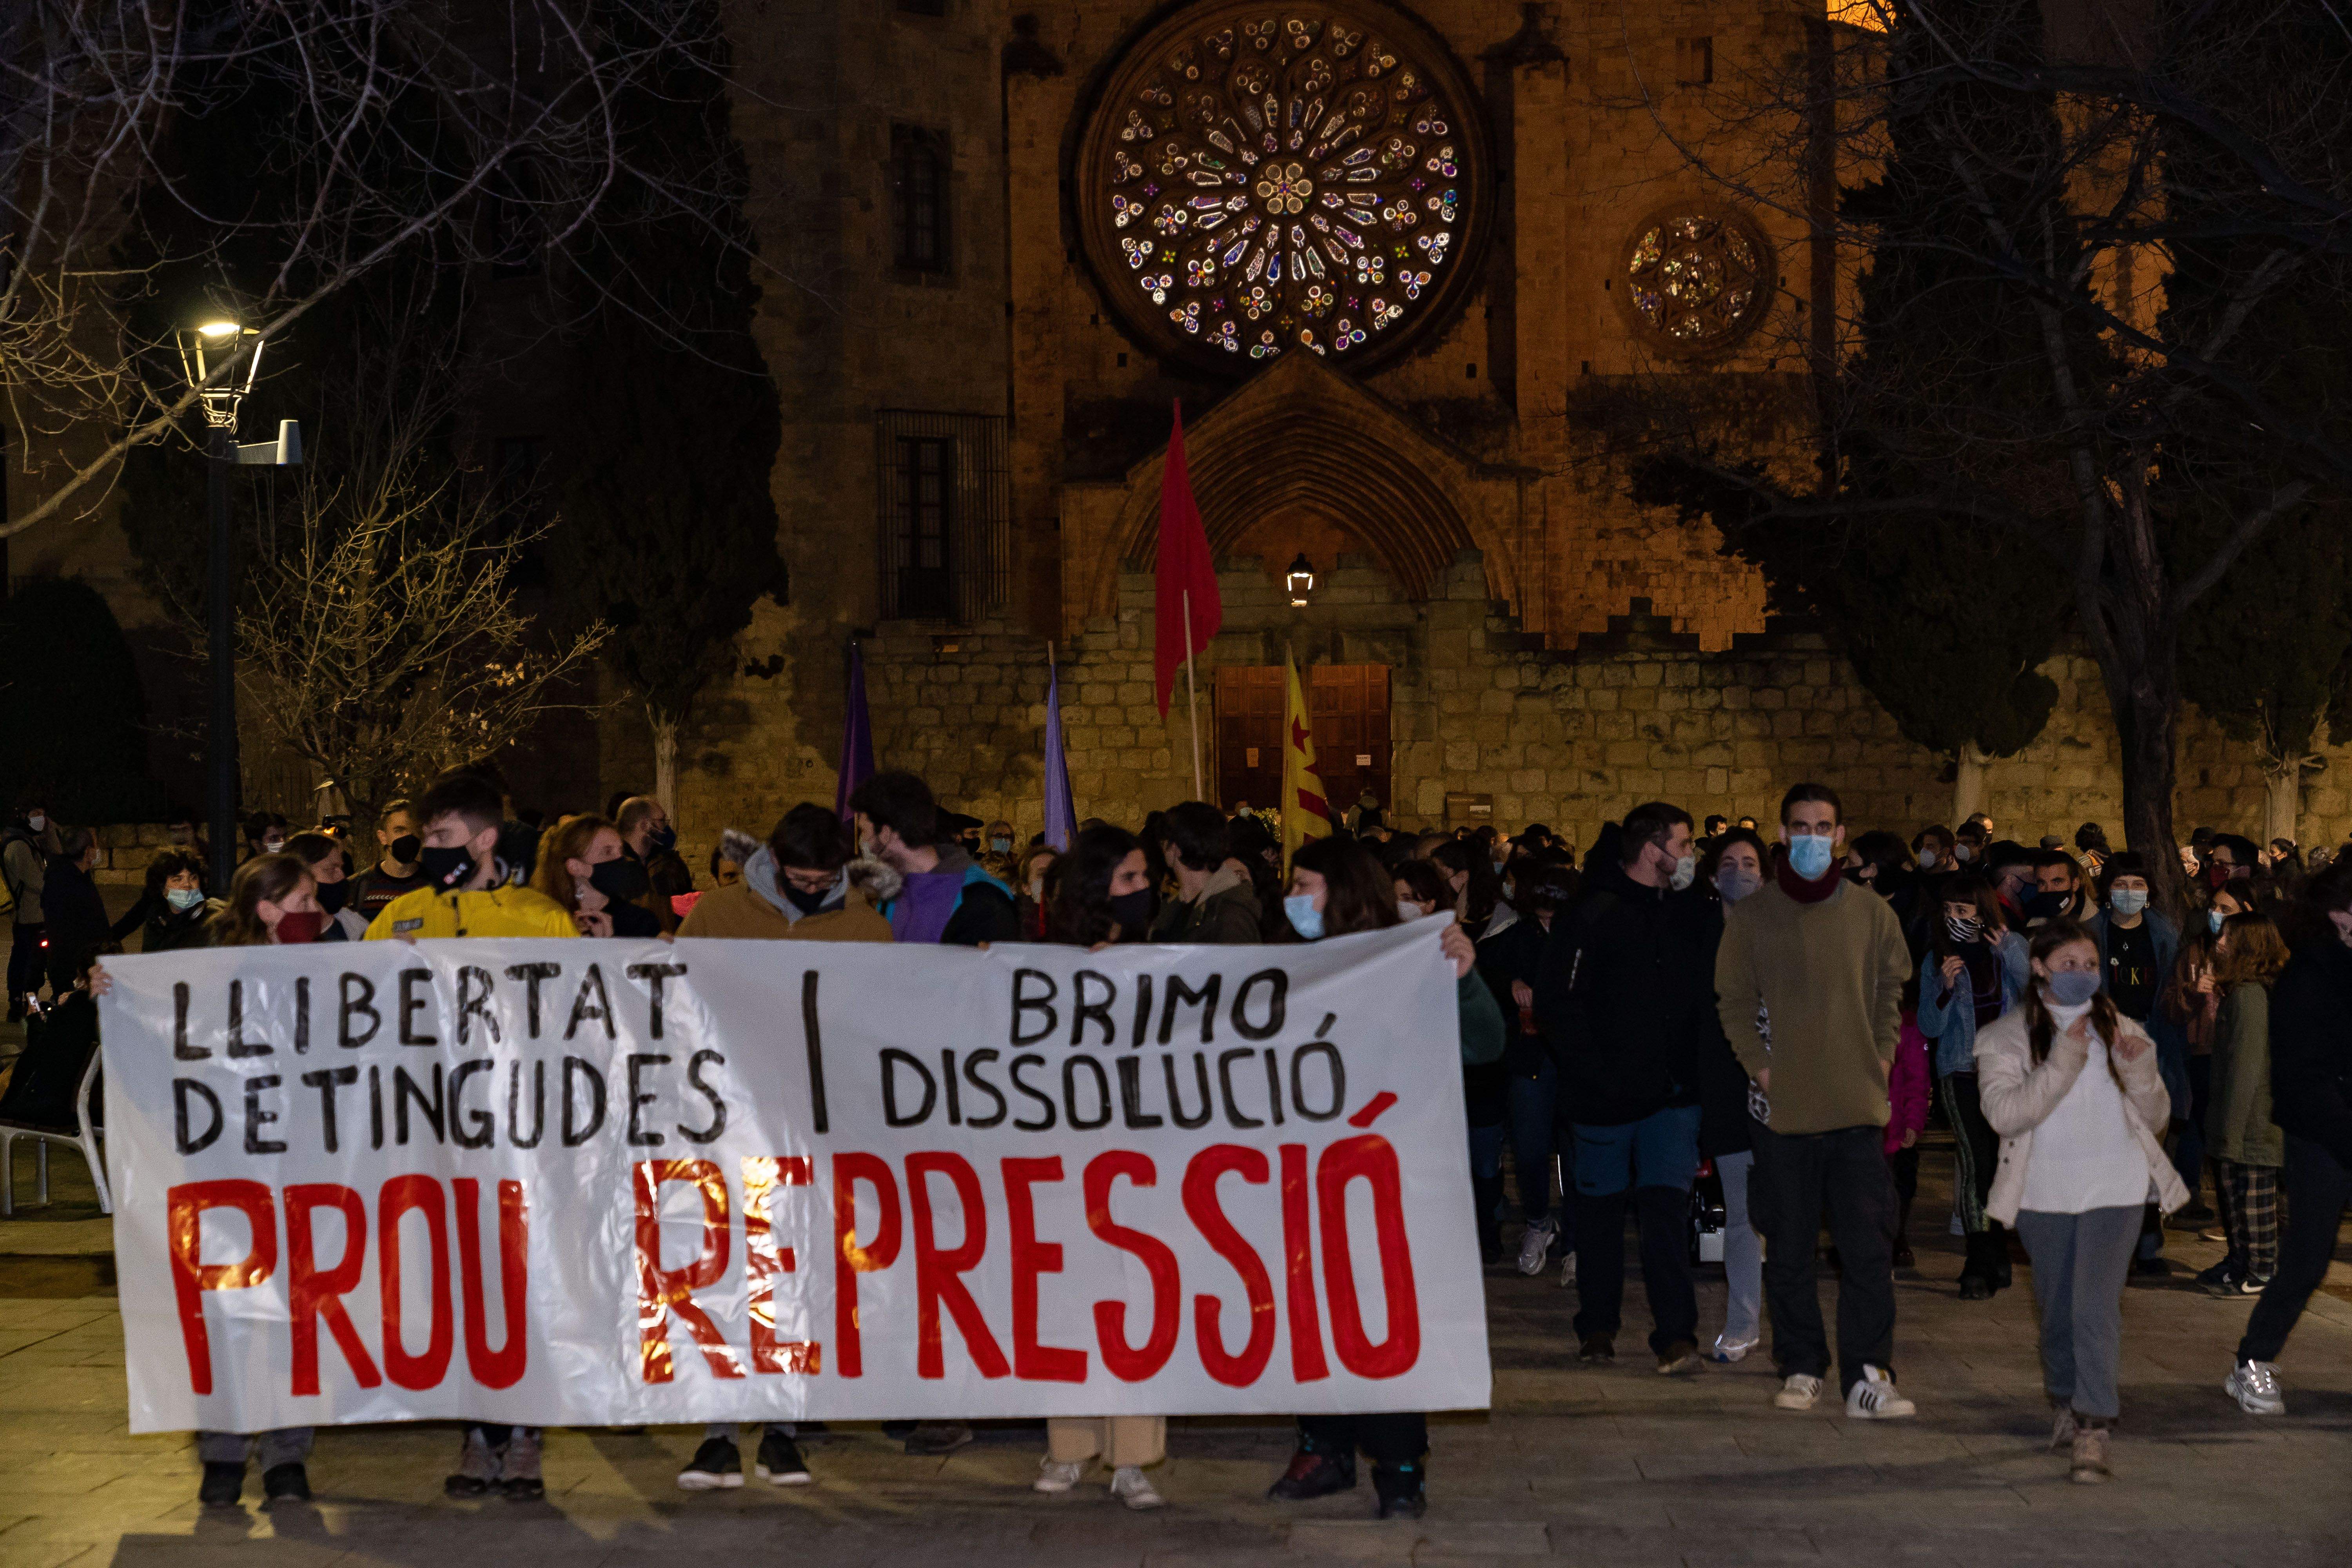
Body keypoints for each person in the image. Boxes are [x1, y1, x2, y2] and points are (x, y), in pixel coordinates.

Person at [360, 771, 573, 1500]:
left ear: (484, 840)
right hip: (433, 1132)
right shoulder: (403, 916)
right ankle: (479, 1435)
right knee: (457, 1282)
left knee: (521, 1279)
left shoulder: (542, 918)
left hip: (522, 1131)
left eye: (443, 836)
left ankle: (526, 1435)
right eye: (427, 835)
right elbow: (343, 997)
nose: (429, 847)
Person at [1267, 834, 1491, 1521]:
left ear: (1341, 890)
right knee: (1311, 1310)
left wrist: (1463, 978)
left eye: (1304, 885)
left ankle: (1399, 1466)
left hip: (1386, 1175)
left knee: (1382, 1314)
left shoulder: (1409, 956)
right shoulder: (1285, 962)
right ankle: (1323, 1446)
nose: (1293, 898)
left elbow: (1485, 1043)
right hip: (1304, 1172)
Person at [1715, 783, 1916, 1419]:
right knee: (1789, 1249)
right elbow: (1734, 1003)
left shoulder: (1872, 914)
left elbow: (1890, 991)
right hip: (1783, 1115)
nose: (1811, 838)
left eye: (1822, 827)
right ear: (1782, 835)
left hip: (1856, 1112)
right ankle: (1801, 1365)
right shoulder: (1754, 918)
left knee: (1867, 1251)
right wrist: (1762, 1069)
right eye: (1799, 827)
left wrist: (1882, 1057)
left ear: (1840, 836)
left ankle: (1868, 1376)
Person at [1976, 918, 2186, 1483]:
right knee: (2058, 1311)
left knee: (2095, 1307)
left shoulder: (2122, 1026)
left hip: (2116, 1188)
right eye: (2068, 964)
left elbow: (2157, 1118)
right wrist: (2063, 1060)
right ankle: (2066, 1398)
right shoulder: (2006, 1036)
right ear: (2039, 967)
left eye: (2090, 965)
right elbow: (2005, 1115)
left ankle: (2095, 1424)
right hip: (2043, 1192)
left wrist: (2140, 1070)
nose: (2082, 974)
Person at [1020, 824, 1171, 1509]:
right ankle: (1070, 1446)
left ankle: (1133, 1457)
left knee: (1140, 1302)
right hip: (1066, 1159)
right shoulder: (1047, 963)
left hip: (1141, 1162)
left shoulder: (1166, 958)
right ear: (1094, 886)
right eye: (1128, 879)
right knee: (1068, 1300)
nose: (1142, 891)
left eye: (1145, 878)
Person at [1534, 801, 1711, 1374]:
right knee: (1600, 1219)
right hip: (1602, 1103)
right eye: (1684, 845)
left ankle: (1677, 1336)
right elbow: (1558, 1004)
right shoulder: (1591, 914)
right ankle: (1598, 1327)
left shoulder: (1691, 913)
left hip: (1672, 1100)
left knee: (1666, 1217)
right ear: (1653, 851)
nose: (1691, 856)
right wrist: (1597, 1073)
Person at [192, 853, 324, 1504]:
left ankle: (285, 1455)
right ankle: (223, 1453)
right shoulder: (206, 976)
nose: (316, 913)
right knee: (226, 1311)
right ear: (269, 910)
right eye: (305, 902)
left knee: (292, 1313)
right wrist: (115, 993)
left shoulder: (330, 971)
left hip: (301, 1167)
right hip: (226, 1170)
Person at [2226, 857, 2352, 1415]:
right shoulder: (2311, 974)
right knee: (2308, 1256)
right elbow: (2303, 1074)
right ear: (2340, 914)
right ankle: (2253, 1360)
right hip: (2322, 1135)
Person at [1914, 872, 2028, 1299]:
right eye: (1948, 911)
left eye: (1963, 910)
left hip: (2008, 1073)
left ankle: (1997, 1251)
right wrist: (1944, 989)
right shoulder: (1937, 959)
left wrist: (2011, 953)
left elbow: (2041, 995)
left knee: (2002, 1166)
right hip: (1960, 1072)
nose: (1955, 919)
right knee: (1976, 1162)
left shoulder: (2009, 948)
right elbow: (1929, 1025)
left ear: (1983, 912)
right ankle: (1979, 1259)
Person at [1474, 859, 1581, 1281]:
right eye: (1542, 916)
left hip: (1577, 1060)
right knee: (1530, 1149)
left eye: (1555, 915)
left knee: (1577, 1154)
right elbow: (1485, 968)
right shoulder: (1517, 935)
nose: (1548, 922)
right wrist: (1513, 983)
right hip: (1530, 1057)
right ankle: (1539, 1222)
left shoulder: (1587, 936)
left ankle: (1577, 1241)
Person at [1695, 827, 1768, 1359]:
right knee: (1740, 1213)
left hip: (1782, 1092)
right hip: (1722, 1089)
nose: (1738, 872)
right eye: (1728, 863)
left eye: (1749, 863)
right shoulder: (1698, 936)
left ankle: (1795, 1328)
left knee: (1785, 1213)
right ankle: (1743, 1323)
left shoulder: (1785, 934)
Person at [2200, 912, 2288, 1298]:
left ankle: (2263, 1270)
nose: (2219, 943)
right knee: (2237, 1200)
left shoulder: (2250, 995)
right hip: (2241, 1120)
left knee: (2255, 1202)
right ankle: (2242, 1264)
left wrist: (2230, 1132)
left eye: (2228, 937)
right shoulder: (2240, 991)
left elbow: (2246, 1067)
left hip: (2253, 1123)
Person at [849, 771, 1020, 950]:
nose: (864, 841)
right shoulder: (891, 897)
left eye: (865, 831)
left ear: (886, 832)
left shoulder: (984, 897)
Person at [677, 809, 895, 943]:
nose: (812, 890)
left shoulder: (867, 929)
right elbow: (676, 987)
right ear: (774, 861)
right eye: (800, 879)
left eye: (826, 881)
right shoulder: (715, 914)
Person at [532, 815, 662, 937]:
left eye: (621, 852)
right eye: (607, 852)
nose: (620, 860)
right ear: (575, 867)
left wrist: (607, 944)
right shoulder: (548, 920)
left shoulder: (640, 922)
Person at [1148, 801, 1259, 944]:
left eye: (1164, 843)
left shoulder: (1230, 913)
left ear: (1176, 848)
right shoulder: (1172, 906)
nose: (1162, 850)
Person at [4, 799, 60, 1018]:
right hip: (28, 916)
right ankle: (18, 1004)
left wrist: (50, 831)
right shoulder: (18, 846)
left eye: (43, 814)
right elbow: (37, 882)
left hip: (37, 913)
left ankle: (29, 1004)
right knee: (27, 961)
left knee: (35, 961)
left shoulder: (30, 840)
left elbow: (58, 855)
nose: (41, 819)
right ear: (23, 816)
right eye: (36, 814)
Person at [40, 826, 109, 998]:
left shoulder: (72, 876)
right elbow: (73, 931)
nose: (98, 851)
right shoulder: (70, 883)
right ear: (88, 852)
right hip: (74, 969)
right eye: (96, 846)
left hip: (72, 965)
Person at [615, 797, 692, 930]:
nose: (666, 828)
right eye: (662, 821)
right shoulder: (618, 871)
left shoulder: (655, 866)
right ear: (644, 825)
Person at [129, 848, 219, 953]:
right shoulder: (156, 921)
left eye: (193, 878)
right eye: (178, 880)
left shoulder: (216, 917)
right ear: (162, 888)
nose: (187, 885)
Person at [350, 800, 427, 923]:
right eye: (400, 830)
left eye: (415, 831)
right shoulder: (359, 886)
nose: (409, 836)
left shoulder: (434, 884)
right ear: (383, 837)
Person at [279, 832, 365, 942]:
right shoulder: (277, 933)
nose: (342, 876)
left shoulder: (351, 921)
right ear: (300, 875)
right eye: (331, 869)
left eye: (341, 868)